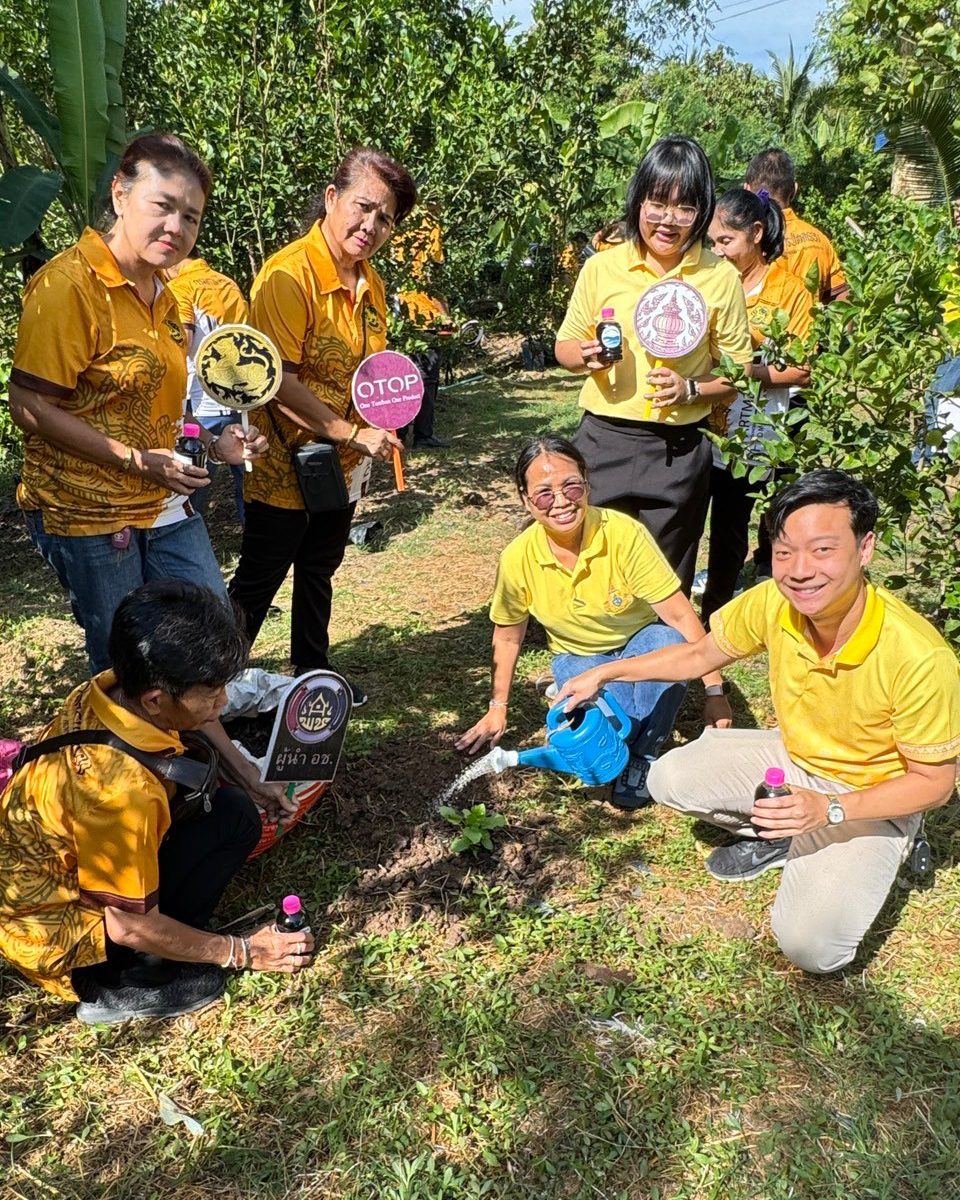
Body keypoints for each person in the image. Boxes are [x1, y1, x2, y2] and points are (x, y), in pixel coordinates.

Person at [556, 470, 960, 974]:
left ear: (865, 548)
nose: (800, 570)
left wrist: (830, 809)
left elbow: (936, 784)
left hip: (872, 795)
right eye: (785, 552)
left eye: (823, 550)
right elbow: (699, 654)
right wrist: (606, 672)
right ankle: (790, 837)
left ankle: (880, 841)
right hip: (796, 759)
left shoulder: (919, 656)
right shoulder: (774, 601)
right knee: (667, 777)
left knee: (812, 948)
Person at [8, 133, 267, 674]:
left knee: (211, 633)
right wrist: (134, 460)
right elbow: (28, 405)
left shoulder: (167, 297)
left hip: (164, 503)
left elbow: (163, 408)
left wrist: (215, 442)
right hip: (89, 514)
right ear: (120, 196)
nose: (176, 227)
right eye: (163, 206)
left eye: (191, 217)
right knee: (123, 662)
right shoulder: (69, 286)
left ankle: (191, 727)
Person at [0, 581, 314, 1023]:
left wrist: (248, 776)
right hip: (57, 935)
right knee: (187, 960)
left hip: (52, 876)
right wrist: (242, 951)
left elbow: (192, 714)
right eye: (212, 693)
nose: (223, 703)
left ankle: (152, 945)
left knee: (235, 814)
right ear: (155, 699)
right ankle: (111, 984)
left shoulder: (110, 687)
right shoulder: (120, 793)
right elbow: (129, 925)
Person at [228, 147, 418, 706]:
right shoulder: (289, 275)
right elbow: (276, 381)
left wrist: (383, 418)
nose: (371, 226)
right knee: (260, 576)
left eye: (386, 219)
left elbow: (369, 370)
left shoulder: (370, 281)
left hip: (344, 462)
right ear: (333, 198)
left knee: (319, 567)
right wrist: (348, 431)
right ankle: (211, 686)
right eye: (364, 207)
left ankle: (312, 669)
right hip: (286, 461)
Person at [455, 436, 732, 808]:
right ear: (525, 499)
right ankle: (623, 733)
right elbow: (507, 637)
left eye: (571, 486)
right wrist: (496, 708)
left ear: (587, 483)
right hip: (579, 656)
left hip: (640, 643)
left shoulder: (622, 534)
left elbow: (681, 615)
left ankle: (643, 756)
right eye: (544, 494)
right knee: (620, 723)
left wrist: (715, 692)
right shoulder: (517, 558)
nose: (561, 502)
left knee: (669, 643)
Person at [555, 137, 753, 594]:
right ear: (638, 201)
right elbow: (564, 347)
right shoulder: (602, 268)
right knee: (596, 570)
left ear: (702, 212)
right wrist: (584, 355)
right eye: (658, 203)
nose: (668, 219)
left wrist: (690, 389)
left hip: (677, 450)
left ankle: (662, 645)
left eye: (685, 207)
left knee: (664, 583)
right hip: (603, 439)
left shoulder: (720, 277)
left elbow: (738, 371)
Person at [699, 188, 815, 621]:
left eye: (726, 241)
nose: (718, 251)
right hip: (709, 425)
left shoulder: (789, 292)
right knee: (709, 524)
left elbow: (802, 370)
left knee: (753, 521)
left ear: (757, 233)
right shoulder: (709, 282)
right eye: (712, 242)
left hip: (761, 430)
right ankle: (699, 615)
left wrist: (742, 372)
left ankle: (737, 612)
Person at [165, 253, 250, 521]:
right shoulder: (228, 284)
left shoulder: (180, 287)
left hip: (201, 403)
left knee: (193, 486)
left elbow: (182, 342)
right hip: (240, 397)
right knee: (248, 487)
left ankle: (190, 536)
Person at [744, 148, 848, 304]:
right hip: (808, 320)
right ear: (793, 191)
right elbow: (842, 299)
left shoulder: (742, 240)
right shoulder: (819, 240)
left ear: (746, 188)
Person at [394, 207, 452, 448]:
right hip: (424, 316)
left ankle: (398, 432)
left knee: (400, 377)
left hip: (398, 317)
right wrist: (445, 315)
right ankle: (423, 435)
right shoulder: (429, 225)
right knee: (427, 378)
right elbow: (431, 276)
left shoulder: (396, 221)